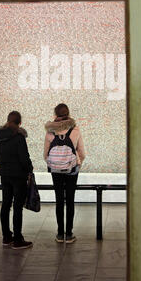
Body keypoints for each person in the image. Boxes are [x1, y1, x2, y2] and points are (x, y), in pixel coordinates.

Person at [44, 103, 86, 243]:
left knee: (59, 200)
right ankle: (69, 234)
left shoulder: (50, 132)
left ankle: (59, 234)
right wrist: (76, 162)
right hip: (72, 169)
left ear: (55, 115)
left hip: (55, 170)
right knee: (70, 200)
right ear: (68, 114)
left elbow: (45, 154)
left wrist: (55, 162)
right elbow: (82, 152)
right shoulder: (75, 130)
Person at [0, 111, 33, 249]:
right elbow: (24, 158)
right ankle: (17, 239)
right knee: (17, 207)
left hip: (4, 175)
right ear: (20, 123)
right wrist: (30, 168)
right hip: (18, 176)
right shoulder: (19, 137)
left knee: (5, 204)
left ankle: (6, 237)